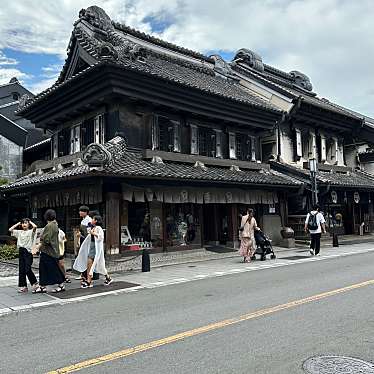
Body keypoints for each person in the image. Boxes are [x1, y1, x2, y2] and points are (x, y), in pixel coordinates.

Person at [73, 215, 113, 288]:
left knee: (90, 263)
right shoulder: (93, 227)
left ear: (96, 221)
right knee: (99, 265)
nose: (92, 220)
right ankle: (108, 278)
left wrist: (93, 233)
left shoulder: (98, 228)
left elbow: (101, 237)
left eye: (93, 219)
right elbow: (89, 237)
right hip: (92, 246)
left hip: (95, 247)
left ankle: (89, 281)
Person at [32, 209, 66, 293]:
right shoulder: (55, 225)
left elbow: (46, 240)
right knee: (44, 269)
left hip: (49, 251)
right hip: (51, 251)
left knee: (52, 269)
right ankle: (42, 286)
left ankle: (61, 285)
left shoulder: (50, 225)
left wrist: (37, 247)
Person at [9, 218, 38, 293]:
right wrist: (18, 223)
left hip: (28, 252)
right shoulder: (19, 232)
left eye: (26, 223)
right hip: (21, 251)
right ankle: (24, 286)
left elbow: (35, 227)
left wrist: (30, 221)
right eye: (23, 223)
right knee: (21, 269)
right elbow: (10, 229)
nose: (24, 224)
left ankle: (34, 283)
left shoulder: (31, 232)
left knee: (27, 269)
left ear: (28, 224)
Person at [76, 205, 92, 282]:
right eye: (79, 211)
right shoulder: (83, 220)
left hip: (86, 242)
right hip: (83, 241)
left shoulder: (89, 221)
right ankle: (82, 274)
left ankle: (85, 275)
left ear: (85, 212)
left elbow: (89, 235)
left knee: (85, 257)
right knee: (82, 257)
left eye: (81, 211)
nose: (79, 212)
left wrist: (80, 235)